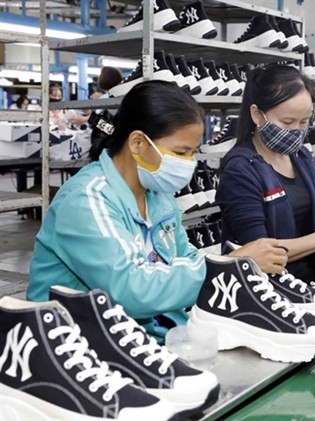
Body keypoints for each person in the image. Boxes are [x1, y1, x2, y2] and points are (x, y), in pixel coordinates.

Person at [27, 81, 287, 342]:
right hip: (77, 345)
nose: (189, 164)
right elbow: (130, 289)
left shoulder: (158, 196)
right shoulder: (86, 199)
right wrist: (230, 266)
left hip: (144, 336)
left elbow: (185, 258)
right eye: (180, 152)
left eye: (193, 153)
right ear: (138, 143)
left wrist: (231, 268)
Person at [216, 65, 315, 284]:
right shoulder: (241, 170)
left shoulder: (301, 157)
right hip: (263, 291)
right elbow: (263, 252)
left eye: (304, 122)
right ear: (256, 115)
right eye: (287, 122)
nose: (297, 131)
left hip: (307, 283)